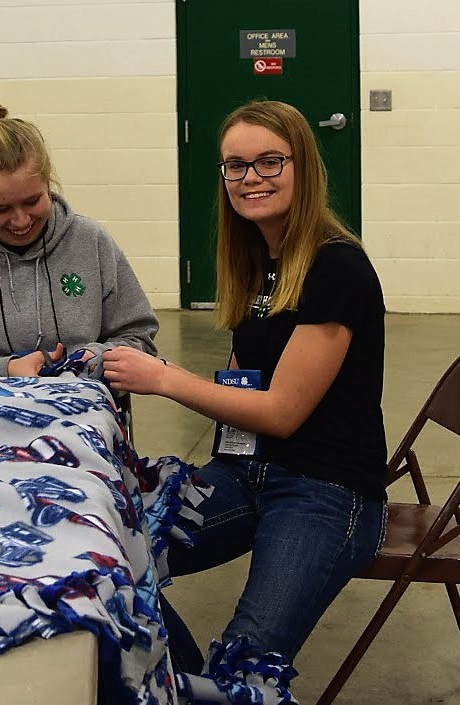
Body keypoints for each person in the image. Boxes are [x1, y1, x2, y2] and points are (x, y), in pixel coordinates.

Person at [102, 100, 387, 686]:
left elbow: (281, 413)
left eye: (269, 162)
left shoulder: (337, 268)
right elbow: (243, 380)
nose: (250, 177)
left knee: (243, 665)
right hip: (248, 473)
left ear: (303, 167)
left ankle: (207, 689)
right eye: (236, 165)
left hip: (325, 492)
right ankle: (180, 686)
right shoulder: (259, 260)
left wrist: (163, 378)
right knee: (110, 562)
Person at [0, 99, 158, 378]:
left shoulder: (91, 243)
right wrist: (3, 370)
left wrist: (98, 360)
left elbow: (139, 338)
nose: (21, 220)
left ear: (48, 182)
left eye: (33, 201)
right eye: (1, 209)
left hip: (83, 413)